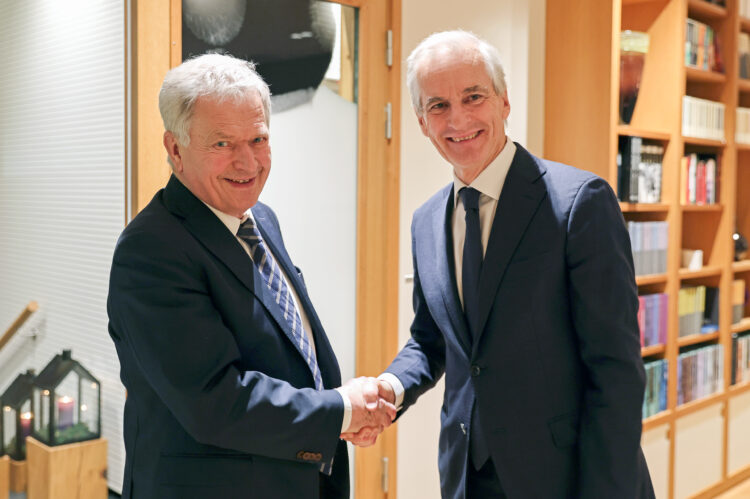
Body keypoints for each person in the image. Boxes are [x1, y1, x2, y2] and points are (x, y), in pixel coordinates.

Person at [349, 30, 655, 498]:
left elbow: (616, 371)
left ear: (504, 101)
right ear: (421, 122)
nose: (459, 119)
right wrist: (391, 386)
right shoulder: (426, 221)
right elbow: (432, 340)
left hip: (568, 476)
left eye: (474, 97)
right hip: (468, 475)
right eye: (438, 106)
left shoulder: (579, 203)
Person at [107, 53, 395, 499]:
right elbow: (215, 400)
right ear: (175, 149)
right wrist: (339, 410)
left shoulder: (260, 218)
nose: (248, 162)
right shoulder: (151, 251)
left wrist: (337, 414)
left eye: (258, 139)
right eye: (222, 144)